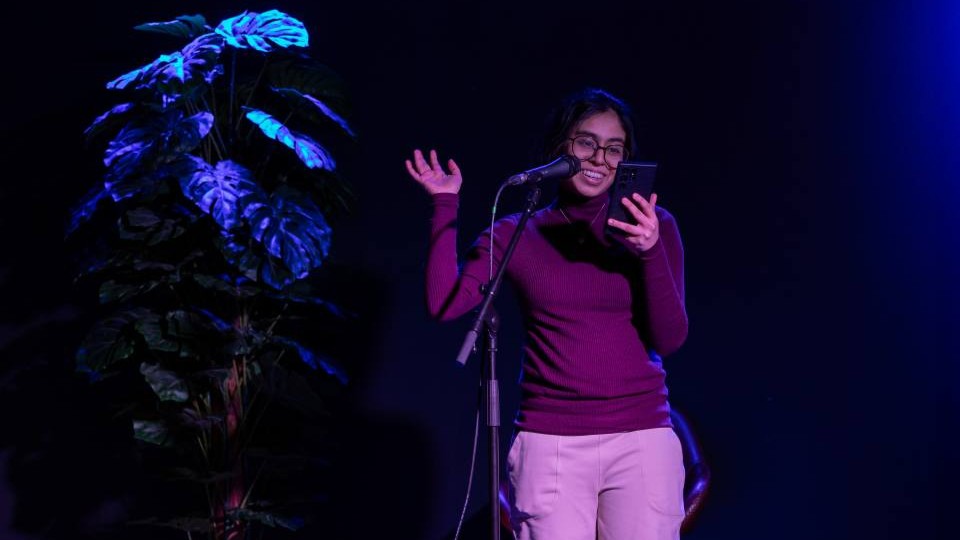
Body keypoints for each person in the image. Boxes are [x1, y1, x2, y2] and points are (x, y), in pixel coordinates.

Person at [404, 87, 689, 540]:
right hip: (550, 442)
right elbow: (444, 304)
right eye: (585, 143)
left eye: (614, 149)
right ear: (560, 147)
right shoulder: (519, 233)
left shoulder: (653, 227)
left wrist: (650, 253)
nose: (598, 159)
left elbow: (670, 338)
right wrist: (445, 203)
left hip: (641, 438)